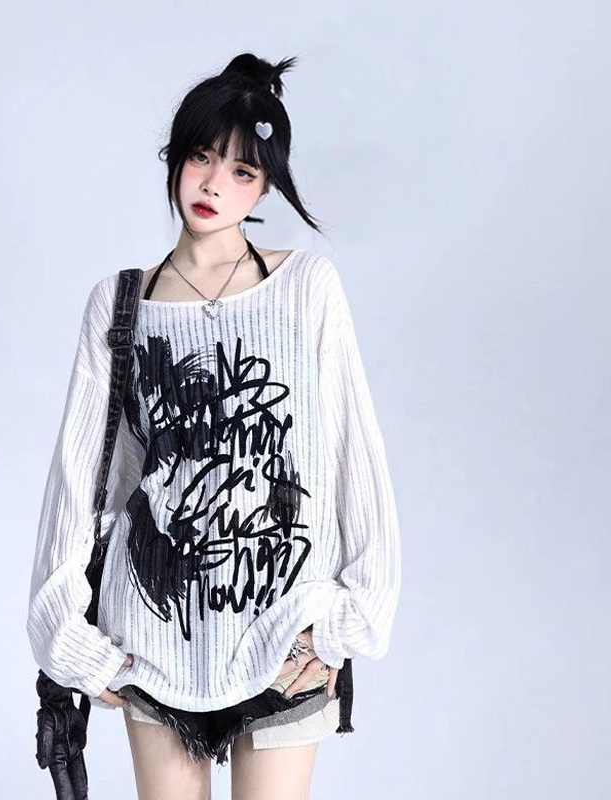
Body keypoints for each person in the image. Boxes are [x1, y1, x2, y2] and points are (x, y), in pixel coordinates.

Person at [26, 52, 402, 800]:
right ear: (175, 157)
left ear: (265, 187)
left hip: (285, 633)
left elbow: (352, 455)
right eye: (201, 157)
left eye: (241, 170)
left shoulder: (306, 289)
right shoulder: (120, 304)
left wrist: (346, 622)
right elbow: (84, 479)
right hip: (156, 638)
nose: (213, 184)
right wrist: (71, 640)